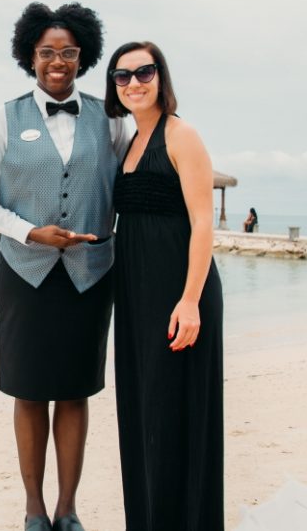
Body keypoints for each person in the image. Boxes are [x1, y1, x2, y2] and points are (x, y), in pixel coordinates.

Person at [0, 2, 128, 531]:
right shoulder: (2, 119)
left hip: (90, 275)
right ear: (30, 57)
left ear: (82, 58)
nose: (57, 61)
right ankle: (35, 508)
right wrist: (29, 231)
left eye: (68, 52)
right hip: (24, 274)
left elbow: (137, 179)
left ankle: (68, 508)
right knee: (30, 390)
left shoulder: (113, 119)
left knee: (76, 390)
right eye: (46, 53)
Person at [105, 41, 224, 531]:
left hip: (180, 295)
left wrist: (191, 301)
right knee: (143, 412)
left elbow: (202, 223)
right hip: (135, 296)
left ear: (161, 77)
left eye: (144, 71)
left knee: (177, 415)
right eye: (122, 76)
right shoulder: (129, 143)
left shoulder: (182, 135)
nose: (134, 82)